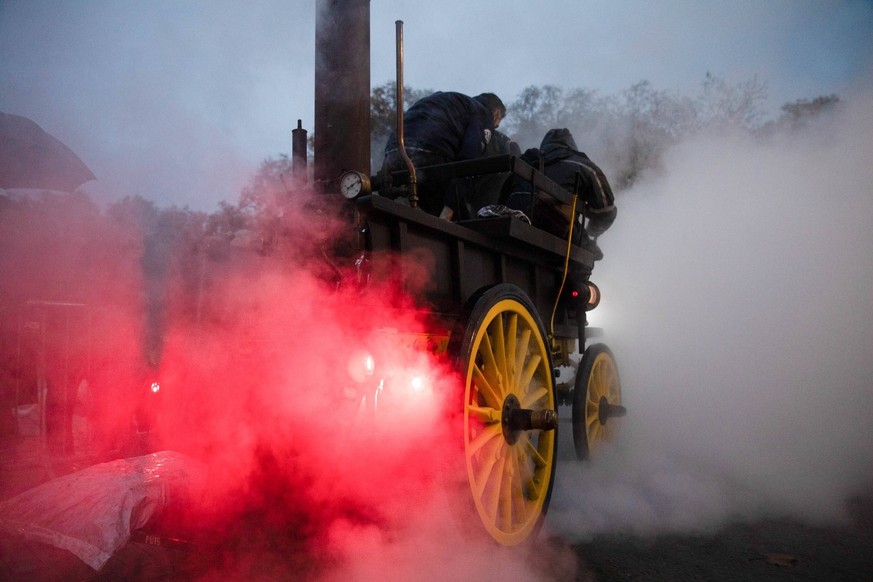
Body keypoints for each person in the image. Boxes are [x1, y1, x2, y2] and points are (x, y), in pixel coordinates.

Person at [380, 91, 506, 218]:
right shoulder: (483, 112)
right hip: (430, 157)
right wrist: (450, 208)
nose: (495, 127)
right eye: (496, 124)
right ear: (496, 113)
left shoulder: (446, 100)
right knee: (465, 223)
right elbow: (469, 158)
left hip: (392, 155)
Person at [505, 128, 616, 258]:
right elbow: (606, 211)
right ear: (571, 145)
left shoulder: (526, 161)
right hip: (557, 229)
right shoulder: (583, 165)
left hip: (514, 225)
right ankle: (575, 277)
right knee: (593, 254)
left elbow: (503, 196)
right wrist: (592, 230)